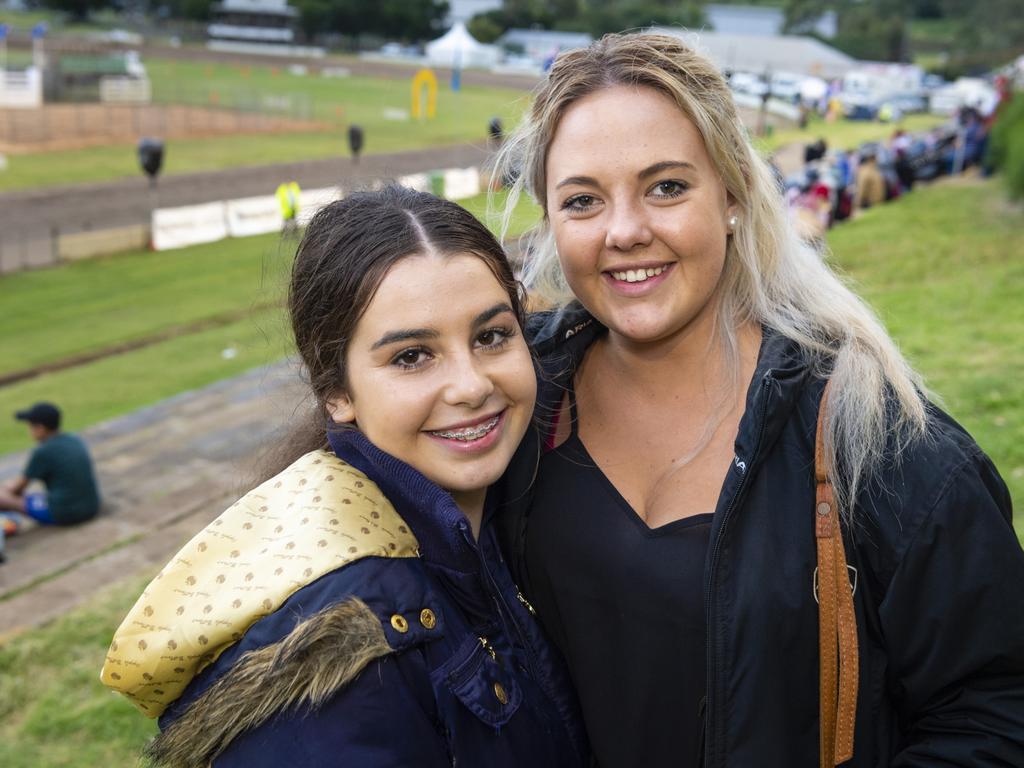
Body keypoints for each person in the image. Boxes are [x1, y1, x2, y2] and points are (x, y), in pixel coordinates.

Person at [491, 32, 1024, 767]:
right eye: (583, 200)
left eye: (667, 187)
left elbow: (996, 712)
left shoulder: (881, 441)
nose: (625, 231)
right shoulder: (510, 407)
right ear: (551, 221)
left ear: (735, 194)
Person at [101, 187, 587, 768]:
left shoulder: (498, 524)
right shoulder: (339, 660)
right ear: (335, 391)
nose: (471, 385)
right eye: (411, 356)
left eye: (491, 336)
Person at [0, 402, 100, 539]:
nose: (29, 430)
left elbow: (17, 489)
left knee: (3, 497)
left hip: (65, 513)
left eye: (30, 426)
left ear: (40, 429)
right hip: (91, 506)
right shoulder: (73, 439)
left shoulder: (43, 452)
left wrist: (6, 490)